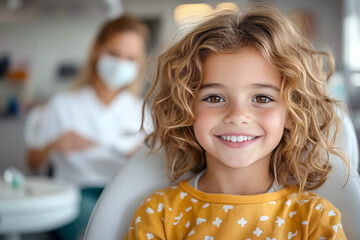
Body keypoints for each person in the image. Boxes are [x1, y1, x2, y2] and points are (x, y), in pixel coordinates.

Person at [125, 4, 348, 239]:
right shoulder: (159, 214)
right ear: (185, 108)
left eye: (262, 98)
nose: (237, 115)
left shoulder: (314, 219)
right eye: (214, 97)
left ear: (292, 113)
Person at [25, 14, 150, 240]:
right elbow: (32, 162)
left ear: (139, 63)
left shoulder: (142, 112)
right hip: (75, 193)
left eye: (131, 58)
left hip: (123, 191)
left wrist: (143, 155)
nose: (121, 64)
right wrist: (54, 145)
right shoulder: (62, 104)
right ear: (96, 50)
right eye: (114, 54)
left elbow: (157, 165)